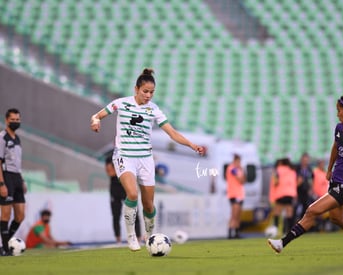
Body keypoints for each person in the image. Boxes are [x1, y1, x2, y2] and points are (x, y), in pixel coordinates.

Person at [90, 68, 206, 251]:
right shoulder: (121, 103)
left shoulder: (153, 110)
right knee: (132, 194)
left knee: (149, 206)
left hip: (145, 159)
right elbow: (97, 115)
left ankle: (150, 237)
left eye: (152, 92)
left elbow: (172, 133)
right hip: (124, 156)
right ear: (136, 89)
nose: (148, 95)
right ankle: (131, 237)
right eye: (145, 91)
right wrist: (96, 121)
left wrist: (192, 145)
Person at [268, 94, 343, 254]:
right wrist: (329, 169)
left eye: (339, 110)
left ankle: (282, 243)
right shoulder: (339, 128)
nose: (338, 114)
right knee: (336, 218)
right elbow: (335, 148)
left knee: (312, 210)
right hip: (336, 181)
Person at [0, 108, 27, 256]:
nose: (16, 122)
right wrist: (1, 184)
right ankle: (4, 248)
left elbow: (18, 162)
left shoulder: (17, 138)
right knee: (5, 215)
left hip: (17, 177)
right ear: (6, 120)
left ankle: (7, 243)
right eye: (13, 120)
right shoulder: (2, 138)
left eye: (18, 120)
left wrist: (21, 180)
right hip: (6, 176)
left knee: (20, 215)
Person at [105, 154, 142, 244]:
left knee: (134, 213)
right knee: (116, 215)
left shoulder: (128, 155)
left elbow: (134, 171)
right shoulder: (111, 157)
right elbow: (110, 172)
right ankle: (118, 240)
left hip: (127, 186)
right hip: (115, 188)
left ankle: (138, 239)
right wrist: (123, 171)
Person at [268, 158, 297, 236]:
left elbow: (275, 182)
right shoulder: (292, 171)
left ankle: (275, 230)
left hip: (280, 193)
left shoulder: (277, 170)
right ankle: (289, 232)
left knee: (277, 211)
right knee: (289, 213)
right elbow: (294, 183)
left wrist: (272, 197)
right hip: (290, 194)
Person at [225, 154, 245, 239]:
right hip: (233, 194)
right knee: (234, 214)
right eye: (238, 161)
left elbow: (243, 181)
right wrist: (241, 170)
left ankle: (236, 232)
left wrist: (241, 170)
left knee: (238, 214)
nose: (239, 163)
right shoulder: (232, 169)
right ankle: (230, 232)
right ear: (235, 161)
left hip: (240, 194)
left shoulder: (238, 169)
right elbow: (241, 180)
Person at [294, 152, 314, 222]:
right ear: (301, 159)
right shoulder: (297, 168)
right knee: (295, 206)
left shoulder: (309, 169)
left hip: (306, 191)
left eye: (307, 160)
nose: (305, 161)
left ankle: (302, 222)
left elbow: (311, 180)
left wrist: (311, 189)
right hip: (297, 190)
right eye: (304, 160)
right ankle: (293, 223)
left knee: (306, 207)